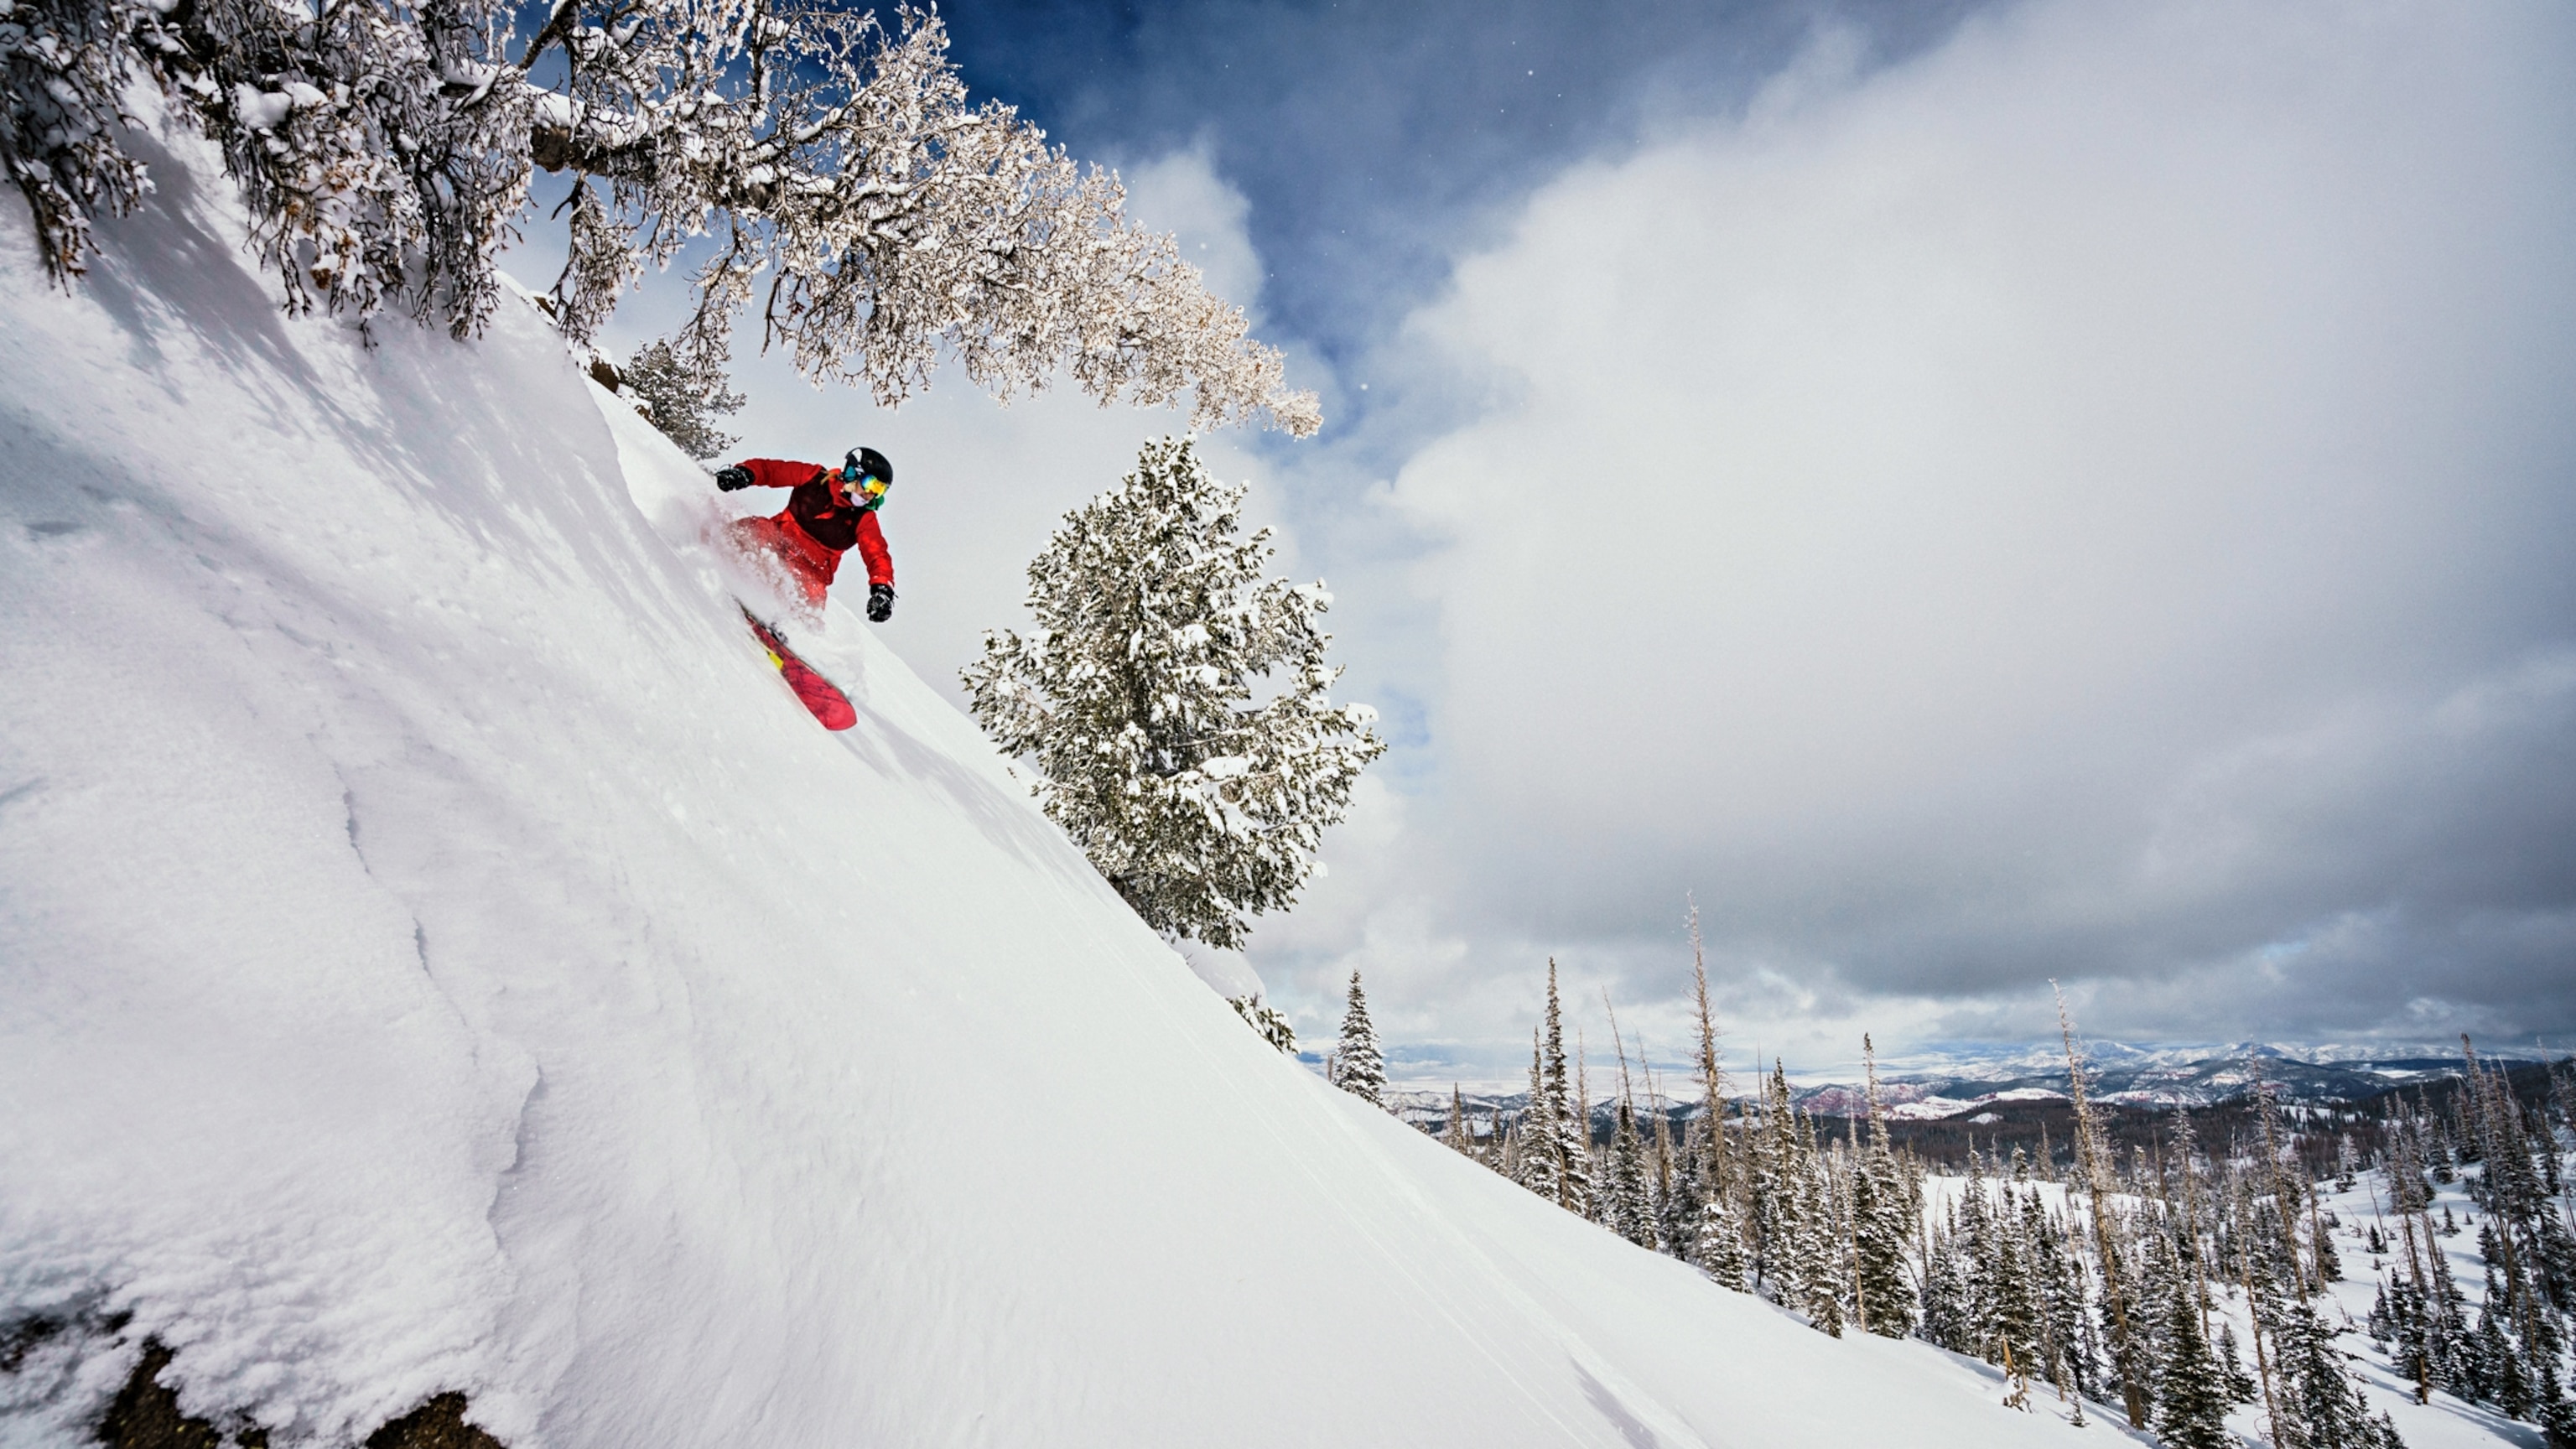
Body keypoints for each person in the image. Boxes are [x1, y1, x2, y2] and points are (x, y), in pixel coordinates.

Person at [714, 447, 897, 621]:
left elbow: (877, 555)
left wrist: (882, 590)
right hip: (776, 542)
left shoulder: (864, 519)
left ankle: (787, 628)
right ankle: (715, 554)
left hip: (810, 571)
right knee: (755, 529)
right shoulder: (814, 478)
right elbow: (772, 470)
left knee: (812, 596)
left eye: (880, 490)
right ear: (852, 474)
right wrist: (745, 474)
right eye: (871, 484)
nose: (872, 494)